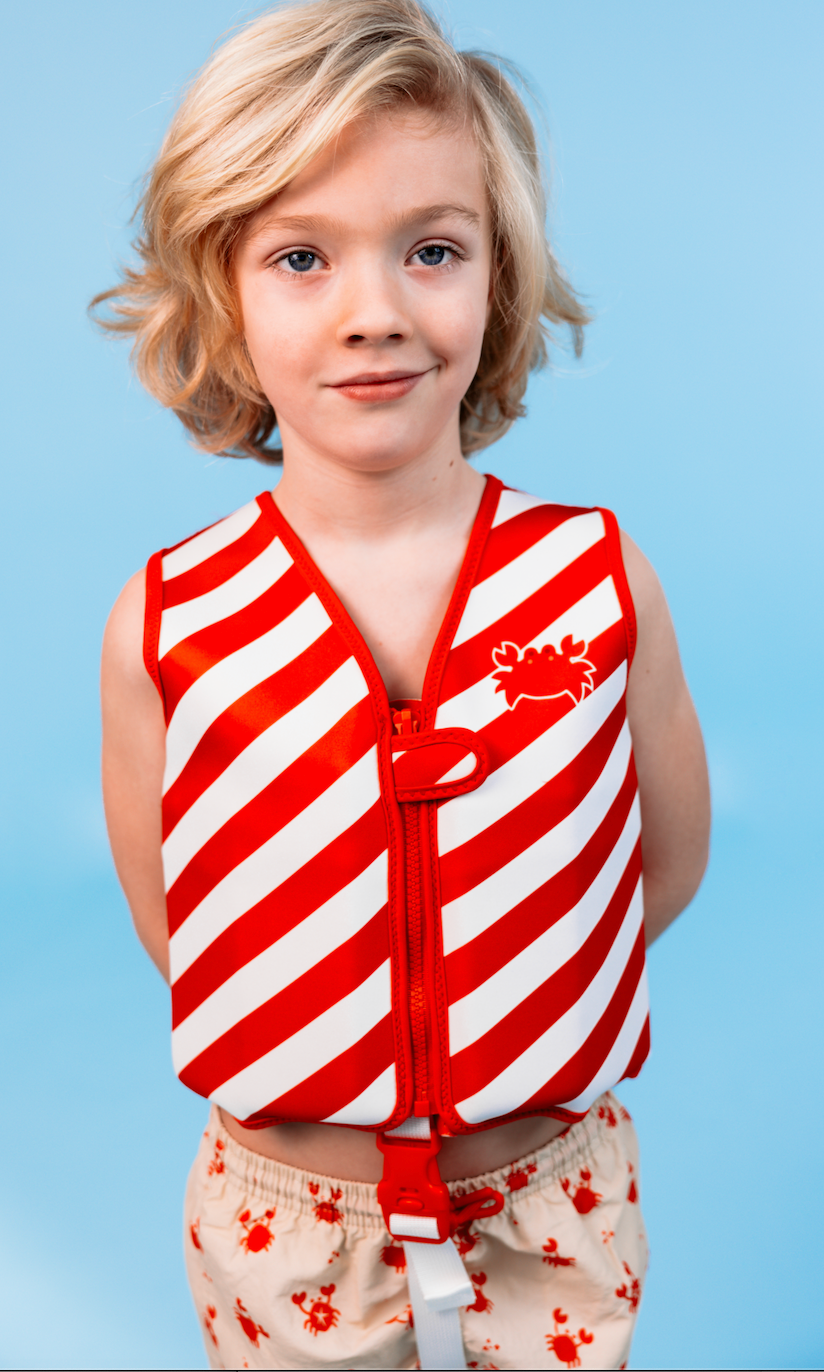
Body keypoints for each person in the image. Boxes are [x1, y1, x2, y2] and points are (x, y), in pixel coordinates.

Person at [96, 2, 710, 1367]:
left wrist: (517, 990)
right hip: (287, 1227)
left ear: (499, 276)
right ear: (223, 296)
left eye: (432, 250)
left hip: (553, 1202)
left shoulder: (598, 580)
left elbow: (659, 864)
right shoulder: (171, 619)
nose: (375, 313)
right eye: (300, 257)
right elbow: (178, 914)